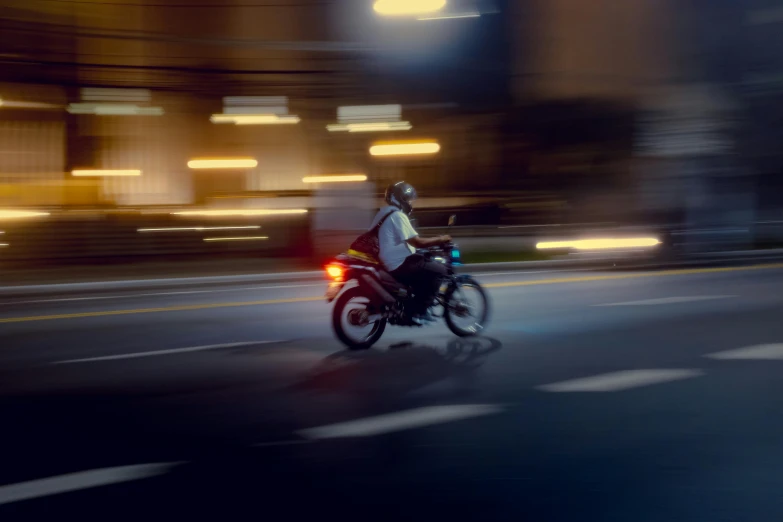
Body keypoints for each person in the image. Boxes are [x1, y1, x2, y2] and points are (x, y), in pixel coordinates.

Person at [370, 181, 452, 324]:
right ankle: (419, 312)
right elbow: (417, 242)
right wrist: (441, 239)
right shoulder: (398, 215)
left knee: (423, 266)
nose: (410, 203)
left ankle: (409, 305)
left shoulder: (383, 213)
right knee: (439, 270)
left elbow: (395, 240)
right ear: (400, 198)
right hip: (398, 263)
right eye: (408, 199)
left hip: (386, 261)